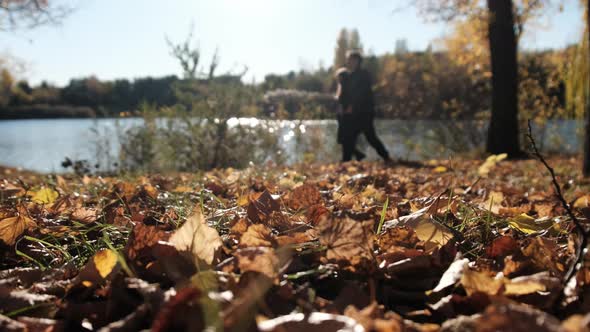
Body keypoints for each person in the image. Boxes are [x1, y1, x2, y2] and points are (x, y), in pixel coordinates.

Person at [340, 50, 391, 162]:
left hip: (364, 112)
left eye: (352, 59)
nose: (350, 62)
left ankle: (386, 157)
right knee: (348, 137)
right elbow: (345, 94)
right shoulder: (348, 76)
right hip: (352, 113)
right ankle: (346, 161)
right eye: (348, 59)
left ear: (358, 61)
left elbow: (362, 93)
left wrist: (352, 106)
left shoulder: (363, 75)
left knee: (370, 137)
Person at [335, 67, 365, 161]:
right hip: (344, 117)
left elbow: (351, 101)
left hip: (348, 117)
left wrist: (347, 110)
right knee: (345, 140)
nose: (339, 79)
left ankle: (347, 159)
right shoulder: (342, 87)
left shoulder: (348, 87)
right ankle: (354, 156)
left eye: (340, 77)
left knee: (346, 139)